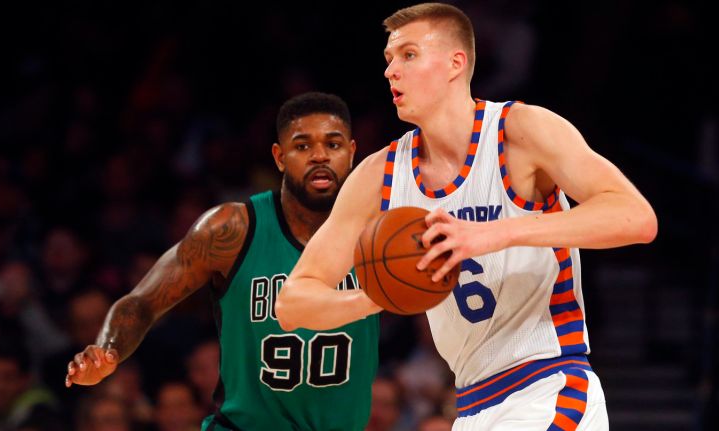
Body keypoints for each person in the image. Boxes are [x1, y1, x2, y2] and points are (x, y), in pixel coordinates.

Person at [276, 3, 658, 430]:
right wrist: (381, 296)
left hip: (549, 386)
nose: (391, 72)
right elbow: (293, 303)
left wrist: (496, 234)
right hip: (472, 405)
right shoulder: (378, 174)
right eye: (388, 60)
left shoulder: (521, 131)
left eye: (409, 55)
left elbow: (635, 217)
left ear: (456, 63)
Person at [64, 92, 379, 431]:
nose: (319, 156)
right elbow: (143, 301)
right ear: (279, 157)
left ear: (351, 152)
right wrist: (107, 350)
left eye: (333, 145)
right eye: (302, 146)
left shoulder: (382, 233)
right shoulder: (232, 230)